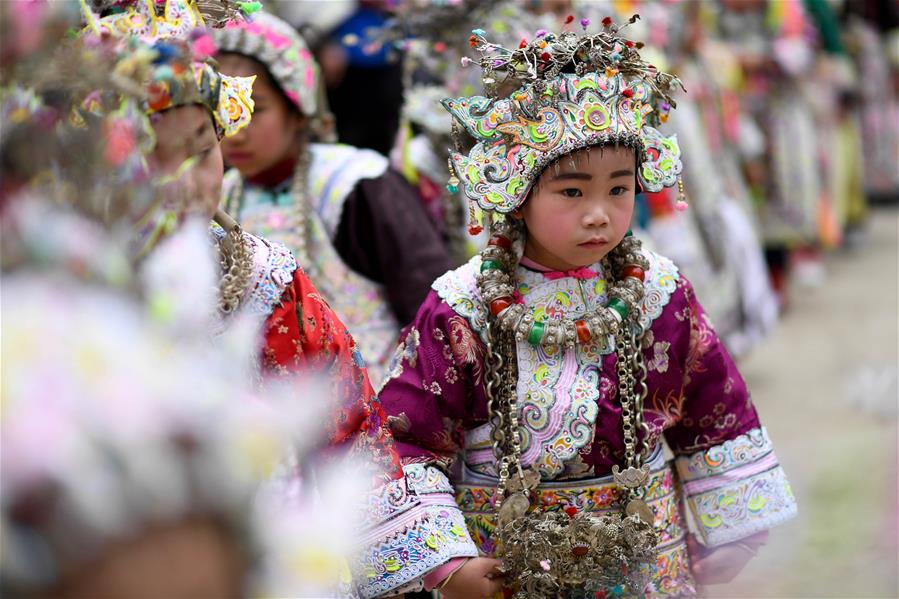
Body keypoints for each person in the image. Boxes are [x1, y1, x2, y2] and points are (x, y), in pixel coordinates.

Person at [6, 2, 477, 595]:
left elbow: (349, 430)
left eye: (200, 148)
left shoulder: (264, 280)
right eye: (149, 157)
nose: (183, 182)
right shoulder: (42, 302)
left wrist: (414, 563)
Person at [378, 15, 798, 598]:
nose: (599, 212)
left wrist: (733, 529)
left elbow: (714, 406)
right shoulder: (461, 307)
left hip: (646, 557)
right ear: (518, 192)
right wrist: (445, 563)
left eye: (619, 189)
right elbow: (407, 438)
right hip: (502, 564)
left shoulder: (657, 292)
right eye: (573, 191)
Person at [213, 12, 454, 386]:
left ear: (297, 108)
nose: (236, 132)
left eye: (255, 109)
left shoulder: (353, 184)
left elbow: (432, 309)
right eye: (223, 112)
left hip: (386, 409)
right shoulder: (221, 200)